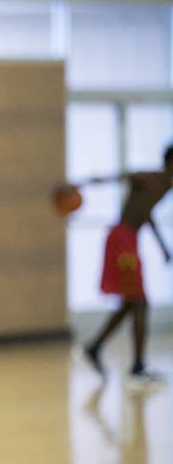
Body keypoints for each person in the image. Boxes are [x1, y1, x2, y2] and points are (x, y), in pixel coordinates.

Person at [81, 145, 173, 384]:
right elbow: (117, 177)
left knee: (132, 302)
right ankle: (137, 366)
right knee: (139, 301)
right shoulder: (149, 178)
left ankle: (95, 347)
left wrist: (163, 245)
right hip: (121, 239)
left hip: (130, 240)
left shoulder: (166, 186)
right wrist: (80, 184)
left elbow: (146, 213)